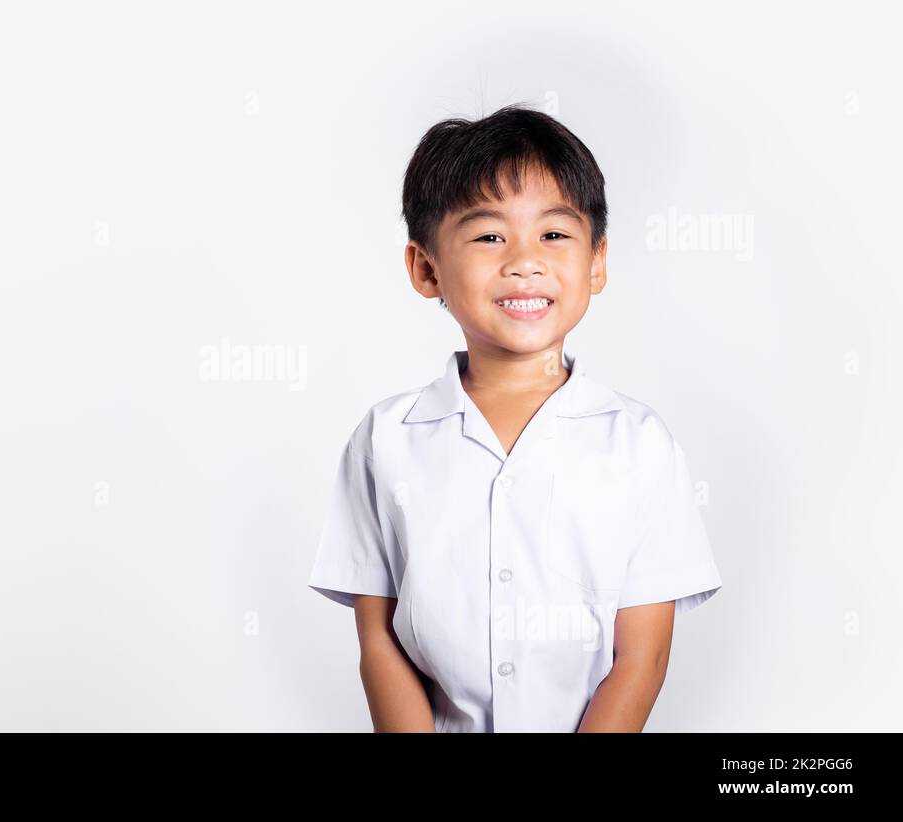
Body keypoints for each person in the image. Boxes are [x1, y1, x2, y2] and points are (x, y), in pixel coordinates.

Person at [307, 104, 722, 732]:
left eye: (553, 235)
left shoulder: (639, 444)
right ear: (426, 268)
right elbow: (379, 642)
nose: (524, 261)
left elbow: (643, 654)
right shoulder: (386, 440)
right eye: (489, 236)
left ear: (597, 260)